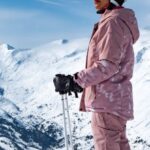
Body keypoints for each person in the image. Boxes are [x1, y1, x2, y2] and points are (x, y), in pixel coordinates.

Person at [53, 0, 139, 149]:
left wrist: (74, 82)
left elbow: (107, 65)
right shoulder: (121, 21)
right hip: (116, 102)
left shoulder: (113, 22)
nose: (94, 0)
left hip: (107, 102)